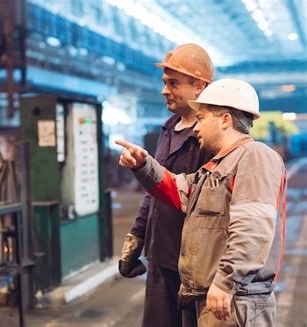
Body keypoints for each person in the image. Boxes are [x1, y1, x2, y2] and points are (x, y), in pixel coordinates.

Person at [117, 78, 287, 326]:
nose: (196, 128)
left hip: (234, 301)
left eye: (202, 118)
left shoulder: (255, 157)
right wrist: (143, 165)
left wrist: (226, 281)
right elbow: (179, 191)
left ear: (225, 120)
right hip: (213, 299)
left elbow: (252, 229)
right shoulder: (215, 167)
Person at [118, 43, 214, 326]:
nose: (164, 90)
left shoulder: (210, 135)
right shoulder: (169, 128)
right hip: (160, 256)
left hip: (193, 266)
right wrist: (137, 235)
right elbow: (154, 190)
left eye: (173, 83)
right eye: (165, 82)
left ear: (199, 85)